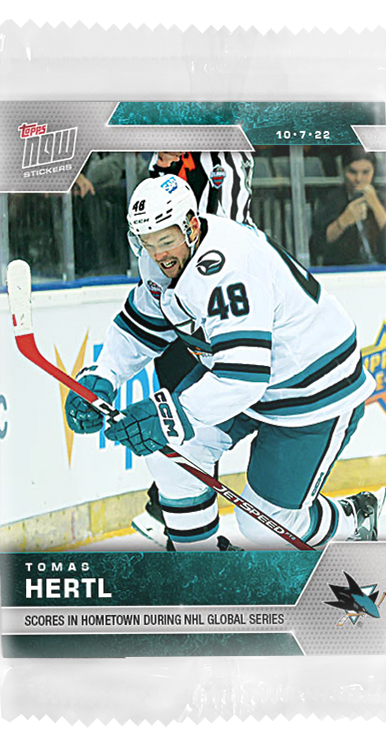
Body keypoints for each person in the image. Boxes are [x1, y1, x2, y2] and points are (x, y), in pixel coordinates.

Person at [64, 175, 385, 550]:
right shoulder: (161, 260)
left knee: (265, 525)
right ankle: (202, 568)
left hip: (311, 389)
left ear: (191, 226)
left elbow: (242, 378)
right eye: (147, 243)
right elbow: (140, 326)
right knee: (173, 456)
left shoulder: (230, 267)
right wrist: (102, 376)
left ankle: (355, 517)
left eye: (166, 241)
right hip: (244, 376)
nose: (158, 254)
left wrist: (166, 415)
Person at [133, 151, 255, 545]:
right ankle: (180, 518)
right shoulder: (161, 162)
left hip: (219, 299)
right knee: (179, 419)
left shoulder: (222, 150)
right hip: (177, 301)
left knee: (200, 409)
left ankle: (178, 516)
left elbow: (230, 231)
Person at [310, 148, 386, 266]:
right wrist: (344, 220)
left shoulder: (384, 198)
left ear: (374, 171)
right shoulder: (330, 200)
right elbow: (317, 245)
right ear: (343, 170)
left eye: (365, 172)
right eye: (353, 172)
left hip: (379, 267)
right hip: (342, 268)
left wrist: (376, 206)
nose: (359, 179)